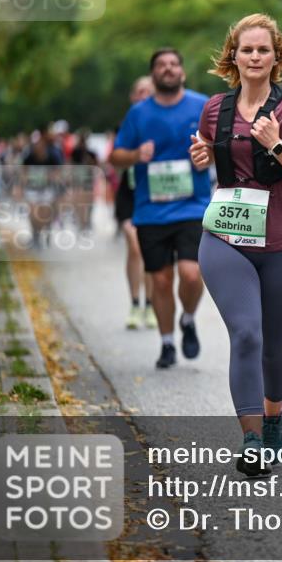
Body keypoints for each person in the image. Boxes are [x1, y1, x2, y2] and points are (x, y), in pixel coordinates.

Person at [190, 13, 282, 476]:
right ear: (233, 56)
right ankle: (251, 439)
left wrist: (278, 146)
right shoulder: (215, 109)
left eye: (263, 49)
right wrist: (202, 155)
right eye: (247, 49)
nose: (255, 57)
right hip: (226, 237)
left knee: (272, 345)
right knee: (246, 333)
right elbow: (211, 150)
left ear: (276, 56)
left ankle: (273, 414)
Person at [109, 49, 210, 369]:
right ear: (153, 75)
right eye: (161, 65)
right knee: (162, 281)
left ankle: (189, 319)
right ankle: (167, 343)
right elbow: (115, 156)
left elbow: (222, 146)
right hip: (151, 210)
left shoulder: (201, 105)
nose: (168, 69)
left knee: (192, 274)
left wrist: (207, 152)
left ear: (182, 71)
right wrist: (136, 154)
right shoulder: (139, 114)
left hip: (193, 206)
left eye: (174, 64)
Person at [113, 76, 156, 330]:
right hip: (129, 196)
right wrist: (134, 155)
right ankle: (134, 302)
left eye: (148, 92)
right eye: (139, 92)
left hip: (154, 197)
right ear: (132, 97)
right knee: (135, 245)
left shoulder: (163, 123)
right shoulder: (127, 125)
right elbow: (114, 160)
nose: (143, 96)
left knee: (148, 251)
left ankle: (149, 305)